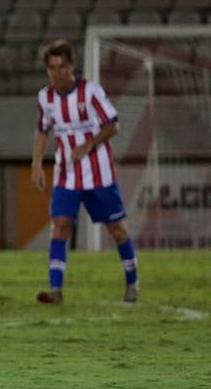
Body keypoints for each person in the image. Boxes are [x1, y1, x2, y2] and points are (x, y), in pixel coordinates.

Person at [31, 39, 139, 304]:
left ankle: (132, 282)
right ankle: (55, 290)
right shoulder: (45, 97)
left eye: (63, 67)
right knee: (60, 226)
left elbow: (113, 125)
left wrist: (89, 144)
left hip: (99, 173)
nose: (58, 73)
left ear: (72, 66)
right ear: (47, 70)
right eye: (53, 68)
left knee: (116, 228)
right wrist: (36, 164)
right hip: (66, 175)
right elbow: (43, 130)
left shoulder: (90, 92)